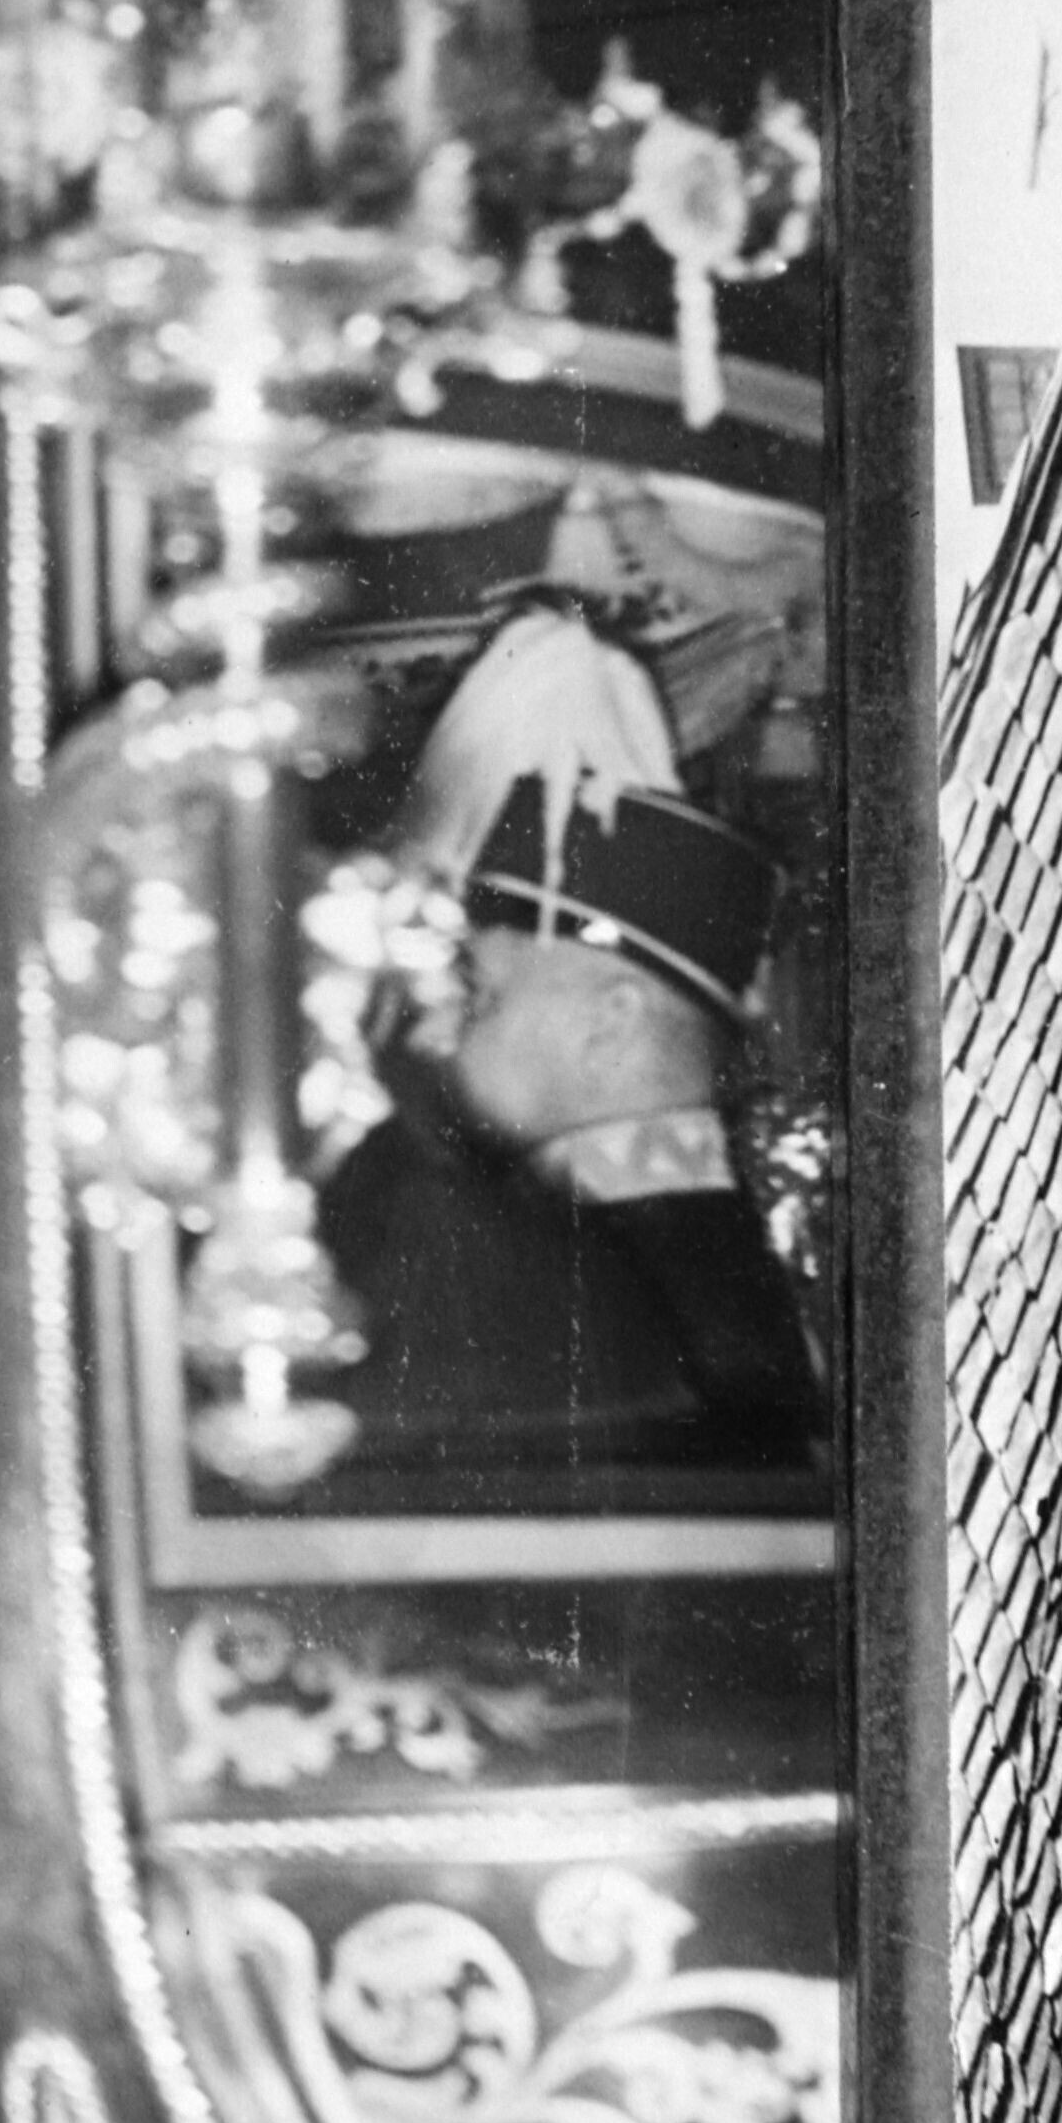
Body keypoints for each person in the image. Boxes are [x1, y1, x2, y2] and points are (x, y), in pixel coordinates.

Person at [310, 599, 821, 1495]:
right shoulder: (713, 1267)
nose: (435, 1028)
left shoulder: (519, 1268)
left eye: (478, 994)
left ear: (609, 1021)